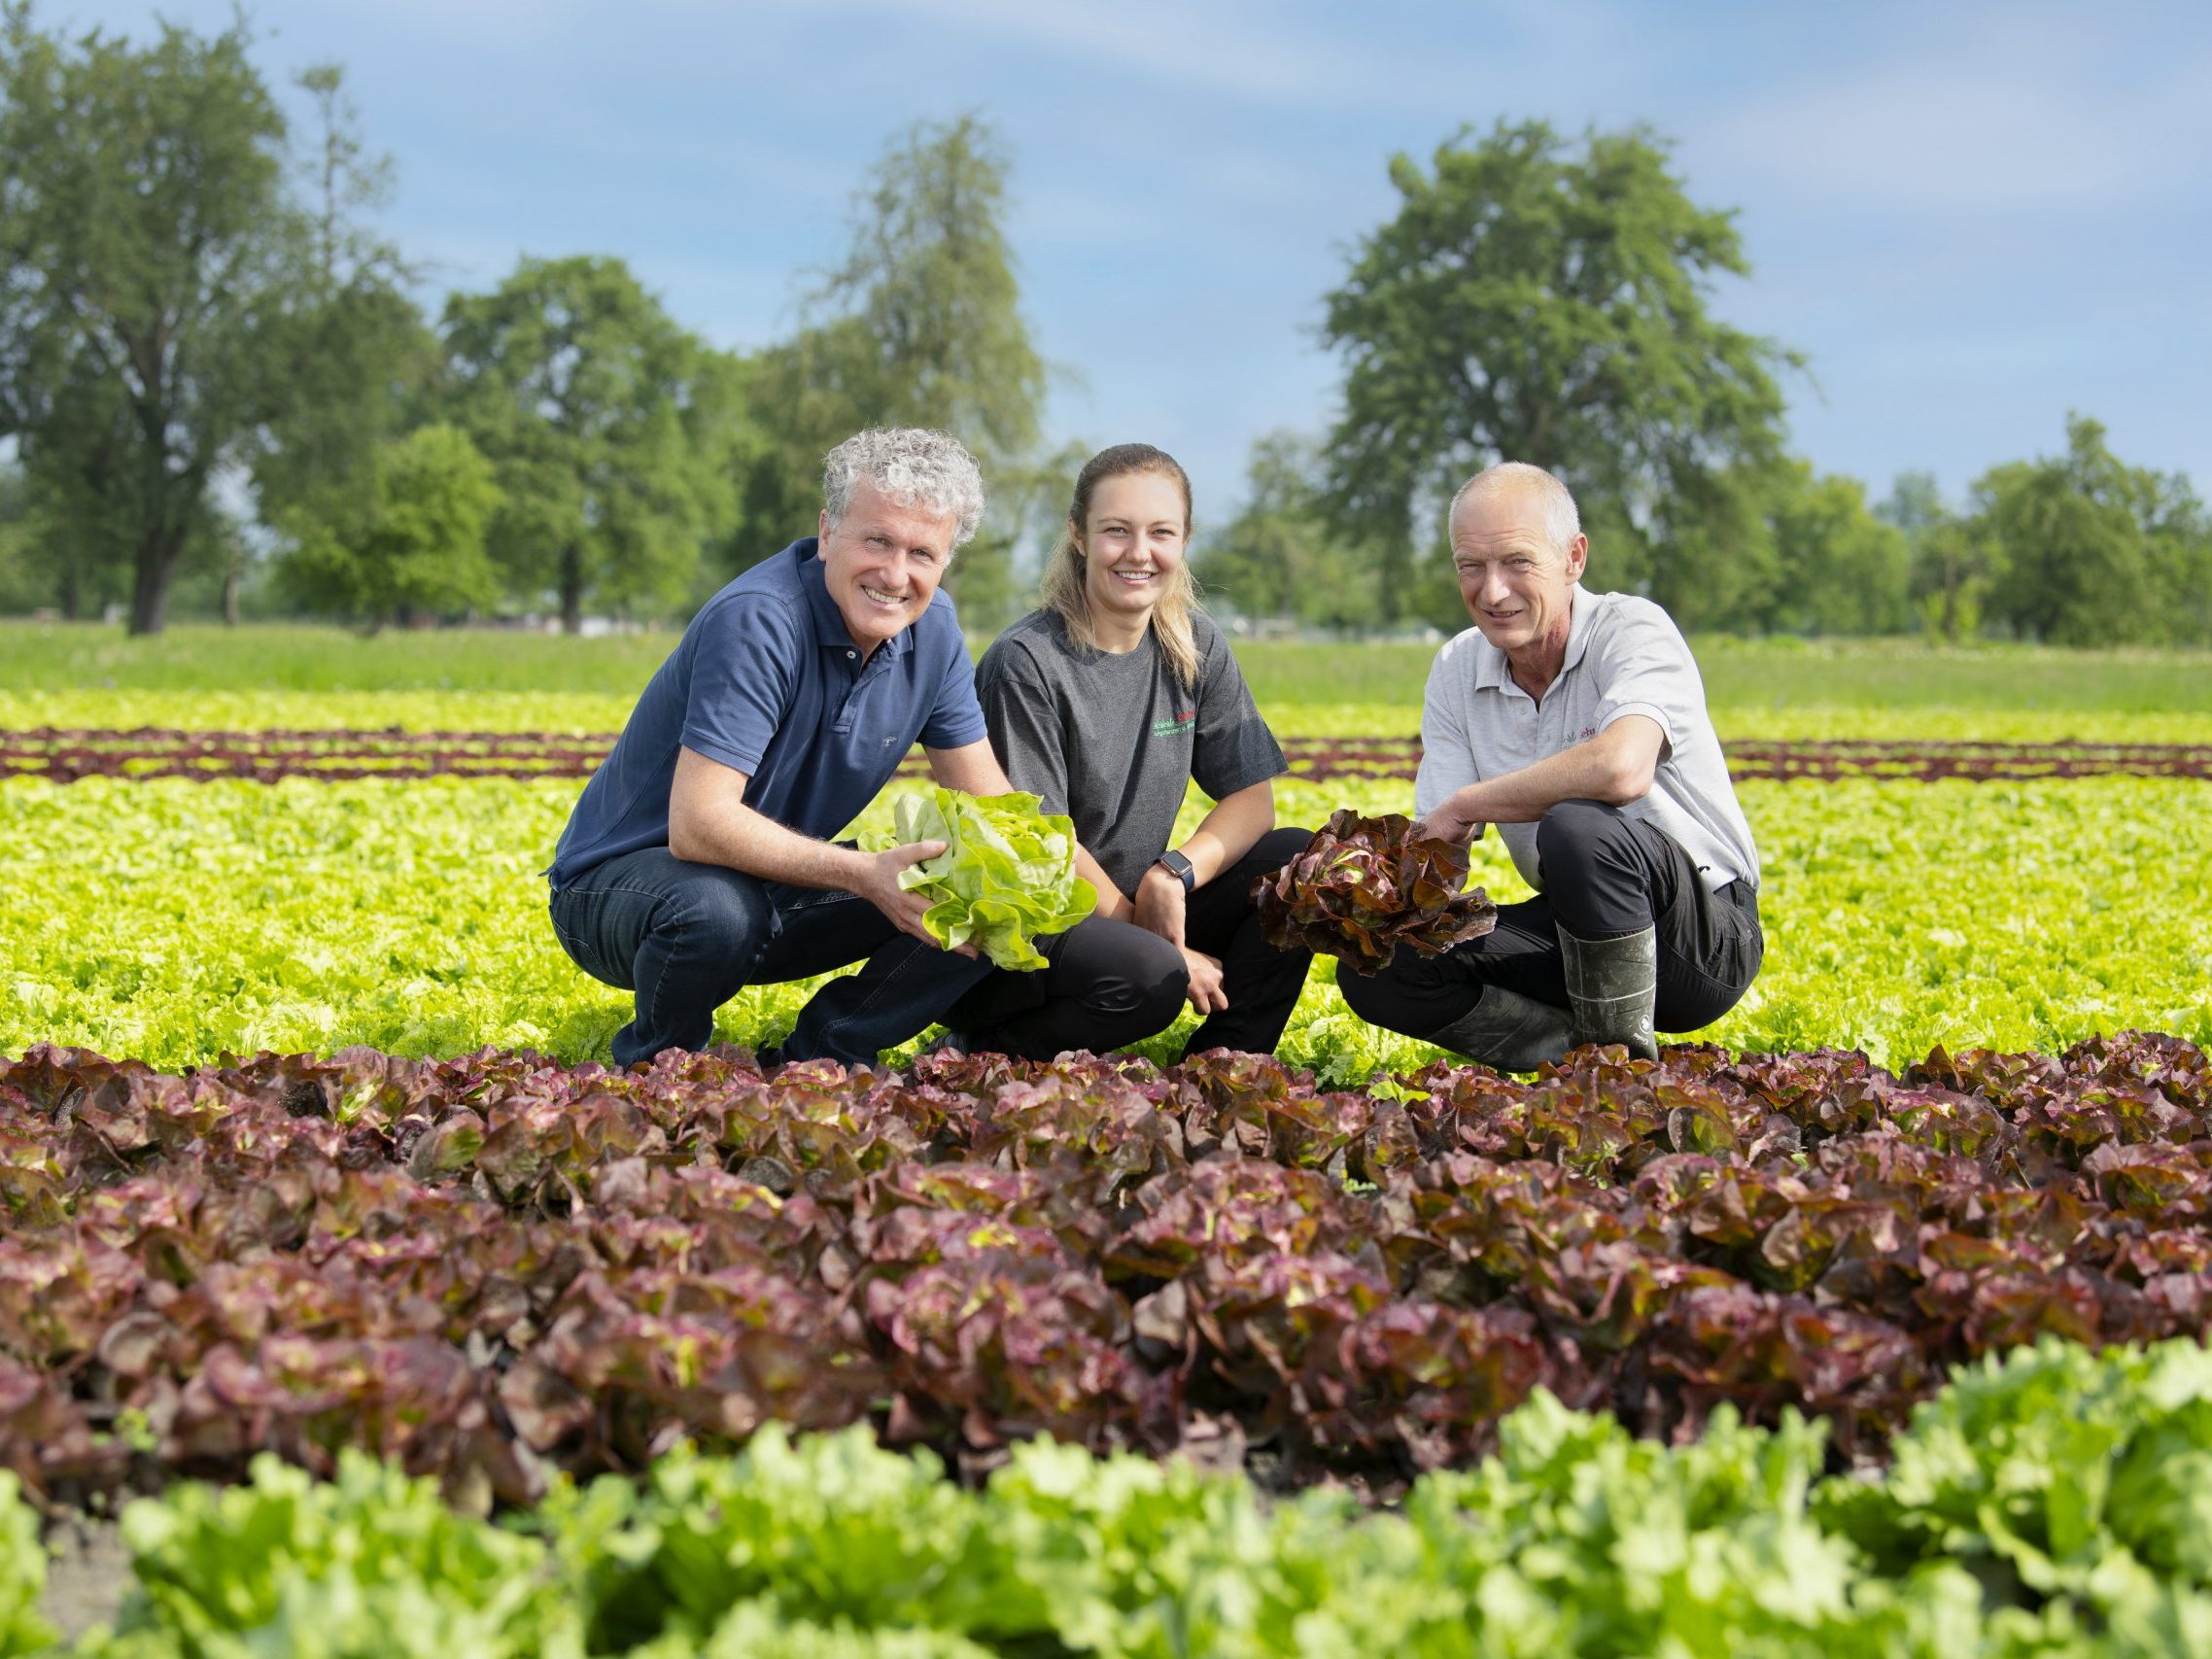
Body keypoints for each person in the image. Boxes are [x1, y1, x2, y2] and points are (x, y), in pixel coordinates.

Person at [544, 428, 1019, 1070]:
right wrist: (866, 875)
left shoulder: (933, 632)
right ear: (828, 534)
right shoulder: (760, 618)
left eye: (922, 553)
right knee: (713, 909)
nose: (895, 573)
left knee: (991, 885)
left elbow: (994, 807)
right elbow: (698, 825)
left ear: (944, 563)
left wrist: (1107, 908)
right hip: (620, 892)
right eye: (876, 539)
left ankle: (823, 1054)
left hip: (768, 887)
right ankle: (664, 1070)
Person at [1336, 462, 1762, 1068]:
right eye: (1471, 567)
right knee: (1381, 965)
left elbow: (1621, 771)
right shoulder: (1458, 667)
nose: (1492, 591)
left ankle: (1622, 1072)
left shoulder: (1633, 630)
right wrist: (1359, 896)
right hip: (1575, 931)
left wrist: (1470, 804)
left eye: (1517, 562)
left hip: (1700, 939)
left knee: (1579, 827)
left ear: (1574, 558)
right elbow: (1441, 849)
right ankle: (1571, 1058)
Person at [942, 442, 1313, 1061]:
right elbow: (1042, 849)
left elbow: (1253, 802)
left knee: (1298, 866)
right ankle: (988, 1048)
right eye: (1116, 531)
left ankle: (1225, 1065)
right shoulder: (1026, 663)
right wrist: (1164, 947)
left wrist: (1176, 873)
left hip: (1133, 910)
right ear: (1079, 536)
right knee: (1150, 979)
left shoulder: (1194, 644)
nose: (1139, 553)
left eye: (1160, 533)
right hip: (1033, 927)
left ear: (1184, 540)